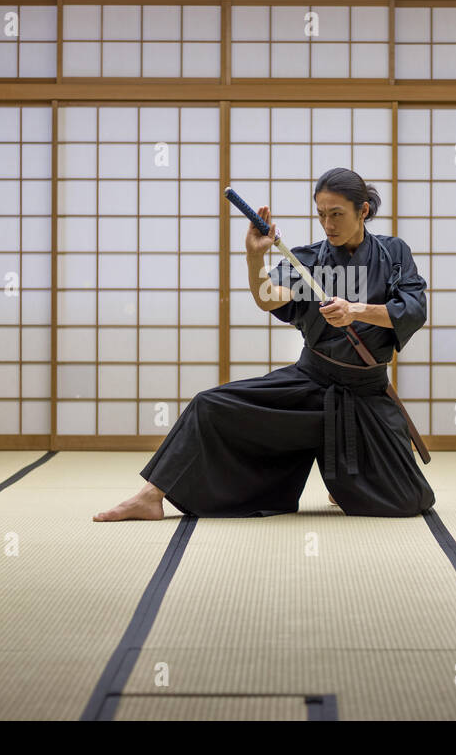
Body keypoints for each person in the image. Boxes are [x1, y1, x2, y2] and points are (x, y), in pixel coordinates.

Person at [94, 167, 436, 520]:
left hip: (366, 393)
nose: (328, 224)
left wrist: (355, 311)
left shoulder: (393, 252)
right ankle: (151, 495)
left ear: (363, 211)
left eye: (337, 214)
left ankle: (345, 480)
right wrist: (254, 256)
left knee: (409, 501)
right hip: (312, 382)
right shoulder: (309, 259)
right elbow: (268, 296)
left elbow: (412, 308)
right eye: (321, 215)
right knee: (209, 404)